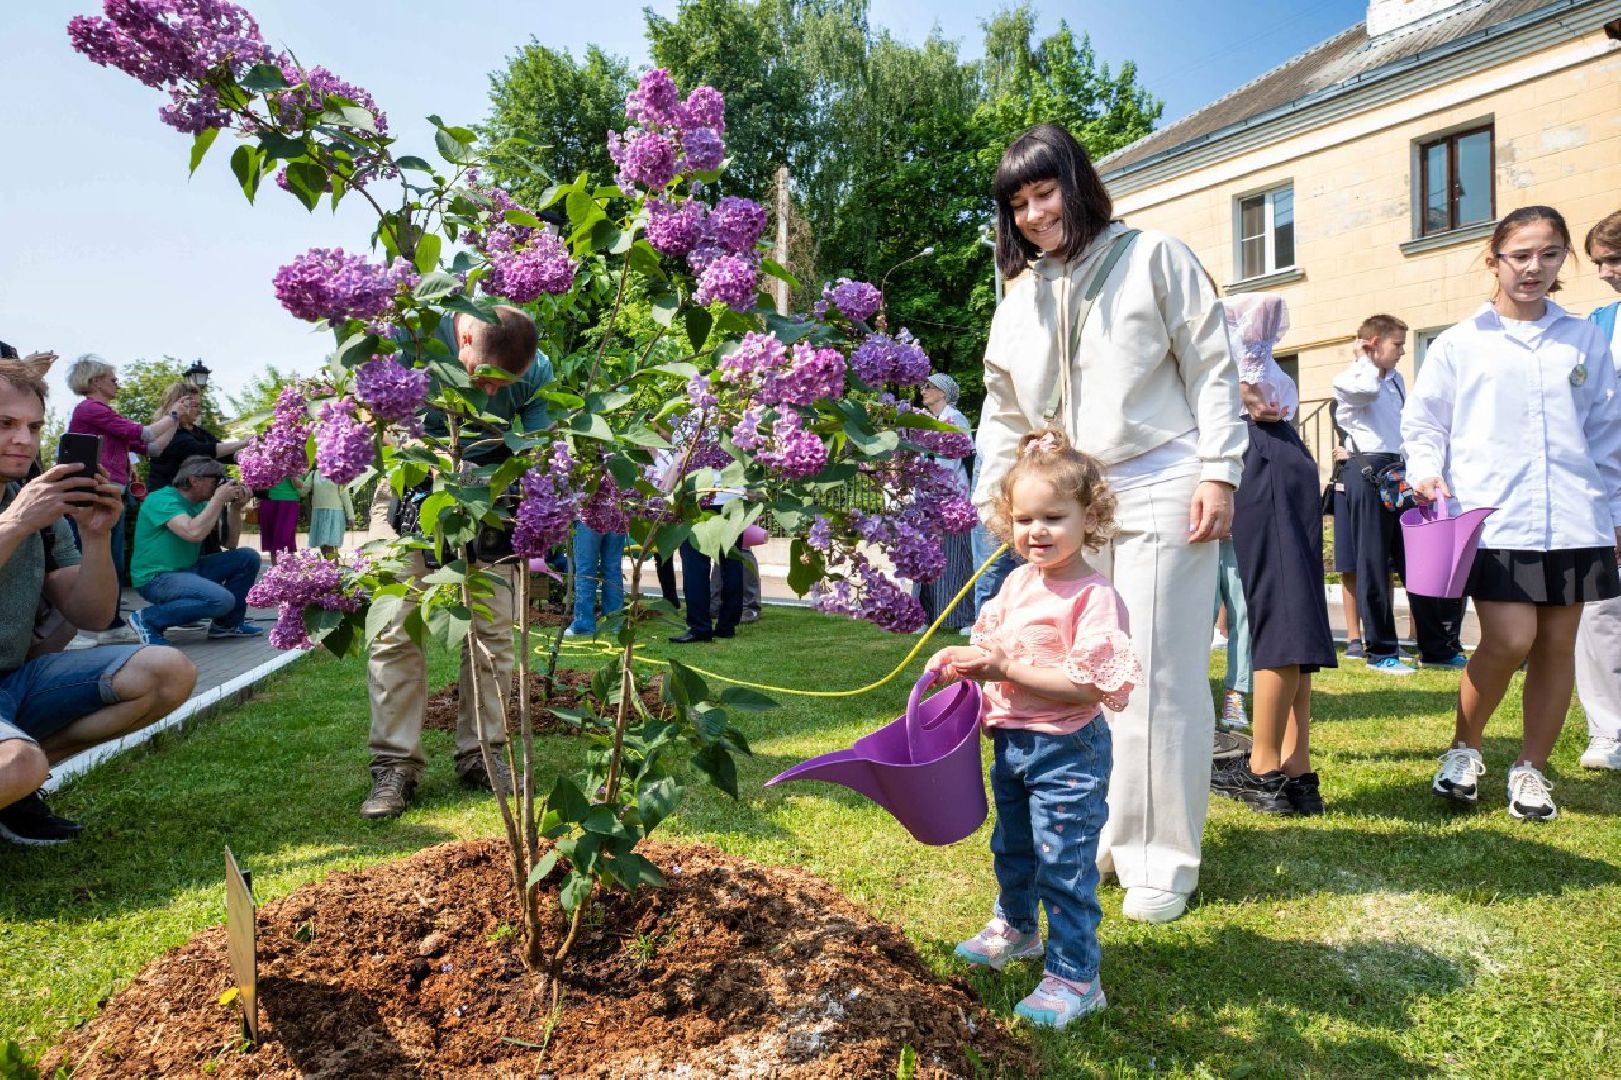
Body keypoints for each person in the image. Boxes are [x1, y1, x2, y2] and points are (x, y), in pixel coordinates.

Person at [975, 123, 1244, 924]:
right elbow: (1000, 407)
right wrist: (997, 498)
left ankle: (1160, 857)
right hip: (1067, 505)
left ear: (1077, 183)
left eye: (1044, 192)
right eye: (1016, 203)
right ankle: (1098, 834)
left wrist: (1218, 469)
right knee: (1077, 674)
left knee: (1154, 673)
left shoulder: (1154, 256)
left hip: (1162, 478)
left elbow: (1211, 364)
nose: (1032, 214)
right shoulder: (1018, 295)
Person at [1406, 205, 1621, 822]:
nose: (1534, 267)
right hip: (1495, 516)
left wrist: (1613, 515)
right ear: (1494, 258)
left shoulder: (1583, 339)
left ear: (1563, 261)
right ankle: (1464, 749)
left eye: (1549, 254)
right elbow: (1425, 421)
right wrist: (1426, 469)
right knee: (1508, 638)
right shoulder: (1460, 342)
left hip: (1577, 517)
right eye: (1520, 255)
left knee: (1557, 645)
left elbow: (1606, 431)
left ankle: (1531, 770)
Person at [928, 429, 1141, 1027]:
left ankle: (1077, 977)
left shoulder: (1093, 597)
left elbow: (1088, 687)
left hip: (1067, 749)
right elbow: (990, 644)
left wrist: (1005, 667)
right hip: (1015, 744)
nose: (1036, 532)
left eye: (1053, 516)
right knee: (1014, 846)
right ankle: (1018, 927)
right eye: (1024, 519)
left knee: (1064, 865)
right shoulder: (1019, 582)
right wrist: (960, 662)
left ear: (1090, 515)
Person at [363, 306, 553, 818]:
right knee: (395, 629)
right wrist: (431, 460)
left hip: (491, 502)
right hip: (408, 490)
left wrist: (490, 480)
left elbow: (531, 450)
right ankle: (395, 767)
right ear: (463, 336)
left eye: (503, 385)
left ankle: (483, 756)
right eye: (483, 378)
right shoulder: (408, 334)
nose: (491, 394)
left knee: (491, 636)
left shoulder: (537, 370)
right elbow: (374, 418)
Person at [0, 358, 195, 845]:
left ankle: (19, 781)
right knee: (17, 764)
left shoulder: (36, 500)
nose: (24, 440)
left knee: (167, 671)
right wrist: (15, 524)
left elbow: (90, 613)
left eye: (34, 427)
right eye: (5, 424)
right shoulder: (28, 508)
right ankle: (17, 770)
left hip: (13, 680)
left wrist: (94, 537)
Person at [1216, 294, 1337, 814]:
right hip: (1275, 454)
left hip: (1259, 455)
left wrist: (1239, 380)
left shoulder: (1221, 334)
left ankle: (1263, 768)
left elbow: (1266, 303)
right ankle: (1295, 766)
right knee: (1291, 618)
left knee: (1282, 621)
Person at [1332, 317, 1468, 673]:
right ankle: (1380, 651)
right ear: (1374, 343)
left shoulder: (1396, 380)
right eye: (1397, 345)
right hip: (1368, 471)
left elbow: (1406, 426)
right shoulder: (1351, 378)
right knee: (1373, 563)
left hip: (1400, 468)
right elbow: (1364, 394)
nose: (1404, 351)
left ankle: (1435, 648)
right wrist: (1363, 359)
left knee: (1415, 562)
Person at [65, 354, 182, 640]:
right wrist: (173, 415)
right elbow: (142, 432)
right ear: (95, 381)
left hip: (111, 494)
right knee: (89, 558)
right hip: (92, 493)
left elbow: (153, 448)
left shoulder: (106, 416)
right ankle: (83, 629)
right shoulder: (91, 409)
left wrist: (176, 421)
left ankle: (110, 623)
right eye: (113, 379)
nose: (118, 384)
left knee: (111, 559)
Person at [1574, 208, 1621, 771]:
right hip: (1608, 478)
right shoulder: (1599, 326)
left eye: (1614, 260)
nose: (1607, 271)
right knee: (1602, 606)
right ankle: (1608, 729)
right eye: (1601, 262)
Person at [127, 455, 261, 645]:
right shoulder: (162, 499)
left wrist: (236, 509)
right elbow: (193, 533)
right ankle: (148, 619)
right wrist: (218, 499)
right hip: (156, 577)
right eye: (216, 480)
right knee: (221, 600)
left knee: (247, 557)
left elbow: (230, 543)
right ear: (194, 480)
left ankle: (226, 625)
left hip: (189, 569)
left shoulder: (202, 504)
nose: (219, 485)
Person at [916, 373, 977, 632]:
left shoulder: (955, 419)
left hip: (951, 503)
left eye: (930, 387)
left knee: (954, 560)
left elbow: (958, 461)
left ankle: (963, 617)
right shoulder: (930, 421)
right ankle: (925, 615)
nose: (923, 390)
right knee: (927, 558)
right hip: (931, 500)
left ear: (943, 393)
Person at [145, 382, 245, 492]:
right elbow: (203, 450)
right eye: (195, 405)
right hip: (167, 498)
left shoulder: (196, 431)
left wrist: (250, 456)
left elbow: (225, 453)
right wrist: (243, 443)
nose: (199, 410)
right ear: (180, 405)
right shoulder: (169, 432)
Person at [566, 520, 626, 638]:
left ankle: (583, 625)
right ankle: (614, 624)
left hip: (589, 515)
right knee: (613, 570)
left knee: (585, 571)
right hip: (618, 513)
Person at [306, 468, 353, 557]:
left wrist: (351, 515)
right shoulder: (314, 474)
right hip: (318, 512)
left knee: (331, 544)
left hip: (334, 513)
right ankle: (327, 567)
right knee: (323, 546)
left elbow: (345, 495)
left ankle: (334, 565)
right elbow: (304, 490)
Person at [257, 475, 302, 563]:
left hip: (289, 502)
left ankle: (288, 573)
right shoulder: (265, 461)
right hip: (268, 500)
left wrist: (291, 473)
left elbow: (300, 485)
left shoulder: (295, 462)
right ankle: (275, 573)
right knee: (273, 542)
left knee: (286, 541)